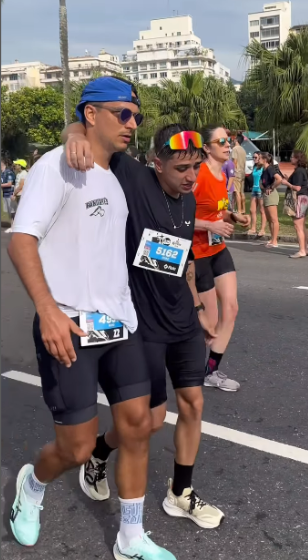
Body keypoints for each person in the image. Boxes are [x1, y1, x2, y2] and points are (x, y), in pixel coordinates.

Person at [8, 76, 176, 559]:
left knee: (138, 426)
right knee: (76, 449)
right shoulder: (57, 167)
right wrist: (47, 312)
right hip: (69, 325)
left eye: (136, 115)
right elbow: (21, 241)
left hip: (121, 323)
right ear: (91, 115)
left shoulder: (121, 170)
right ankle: (32, 484)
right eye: (122, 113)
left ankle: (130, 537)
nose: (132, 123)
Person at [63, 122, 226, 530]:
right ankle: (99, 453)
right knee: (148, 422)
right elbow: (87, 132)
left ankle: (180, 493)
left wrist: (199, 309)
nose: (191, 177)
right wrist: (73, 135)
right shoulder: (133, 180)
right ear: (157, 164)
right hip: (143, 327)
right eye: (181, 169)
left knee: (193, 404)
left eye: (195, 166)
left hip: (183, 322)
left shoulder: (188, 202)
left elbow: (182, 261)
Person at [193, 125, 251, 392]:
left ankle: (211, 371)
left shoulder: (221, 175)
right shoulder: (198, 175)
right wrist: (210, 226)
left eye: (229, 140)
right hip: (197, 253)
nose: (228, 145)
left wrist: (233, 217)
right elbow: (177, 219)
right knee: (210, 323)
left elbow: (219, 212)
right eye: (221, 141)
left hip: (218, 249)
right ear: (206, 147)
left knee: (232, 308)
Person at [285, 150, 308, 258]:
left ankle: (302, 250)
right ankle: (305, 248)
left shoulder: (299, 171)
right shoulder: (302, 170)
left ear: (297, 159)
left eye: (292, 157)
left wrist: (286, 183)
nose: (291, 159)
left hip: (300, 198)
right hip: (304, 198)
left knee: (298, 225)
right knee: (302, 225)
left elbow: (297, 187)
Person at [260, 152, 283, 247]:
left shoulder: (270, 168)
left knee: (274, 219)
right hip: (265, 194)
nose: (258, 159)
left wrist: (272, 187)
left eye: (260, 158)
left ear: (265, 160)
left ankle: (275, 241)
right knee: (269, 219)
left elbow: (279, 179)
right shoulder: (264, 169)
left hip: (271, 195)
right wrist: (263, 187)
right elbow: (262, 182)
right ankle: (272, 238)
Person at [247, 152, 268, 238]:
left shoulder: (263, 168)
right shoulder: (255, 167)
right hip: (254, 190)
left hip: (260, 190)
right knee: (252, 210)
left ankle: (262, 229)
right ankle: (253, 228)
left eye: (256, 157)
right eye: (254, 157)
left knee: (262, 210)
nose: (255, 159)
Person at [230, 132, 247, 213]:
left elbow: (234, 161)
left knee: (236, 192)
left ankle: (239, 210)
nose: (233, 140)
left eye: (234, 138)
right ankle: (243, 209)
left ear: (236, 140)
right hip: (243, 172)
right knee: (242, 192)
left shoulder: (235, 149)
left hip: (236, 172)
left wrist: (232, 173)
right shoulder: (243, 149)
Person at [2, 158, 17, 228]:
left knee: (12, 211)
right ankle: (12, 225)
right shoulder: (2, 173)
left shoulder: (8, 172)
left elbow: (9, 183)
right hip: (5, 194)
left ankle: (15, 225)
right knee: (8, 211)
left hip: (10, 193)